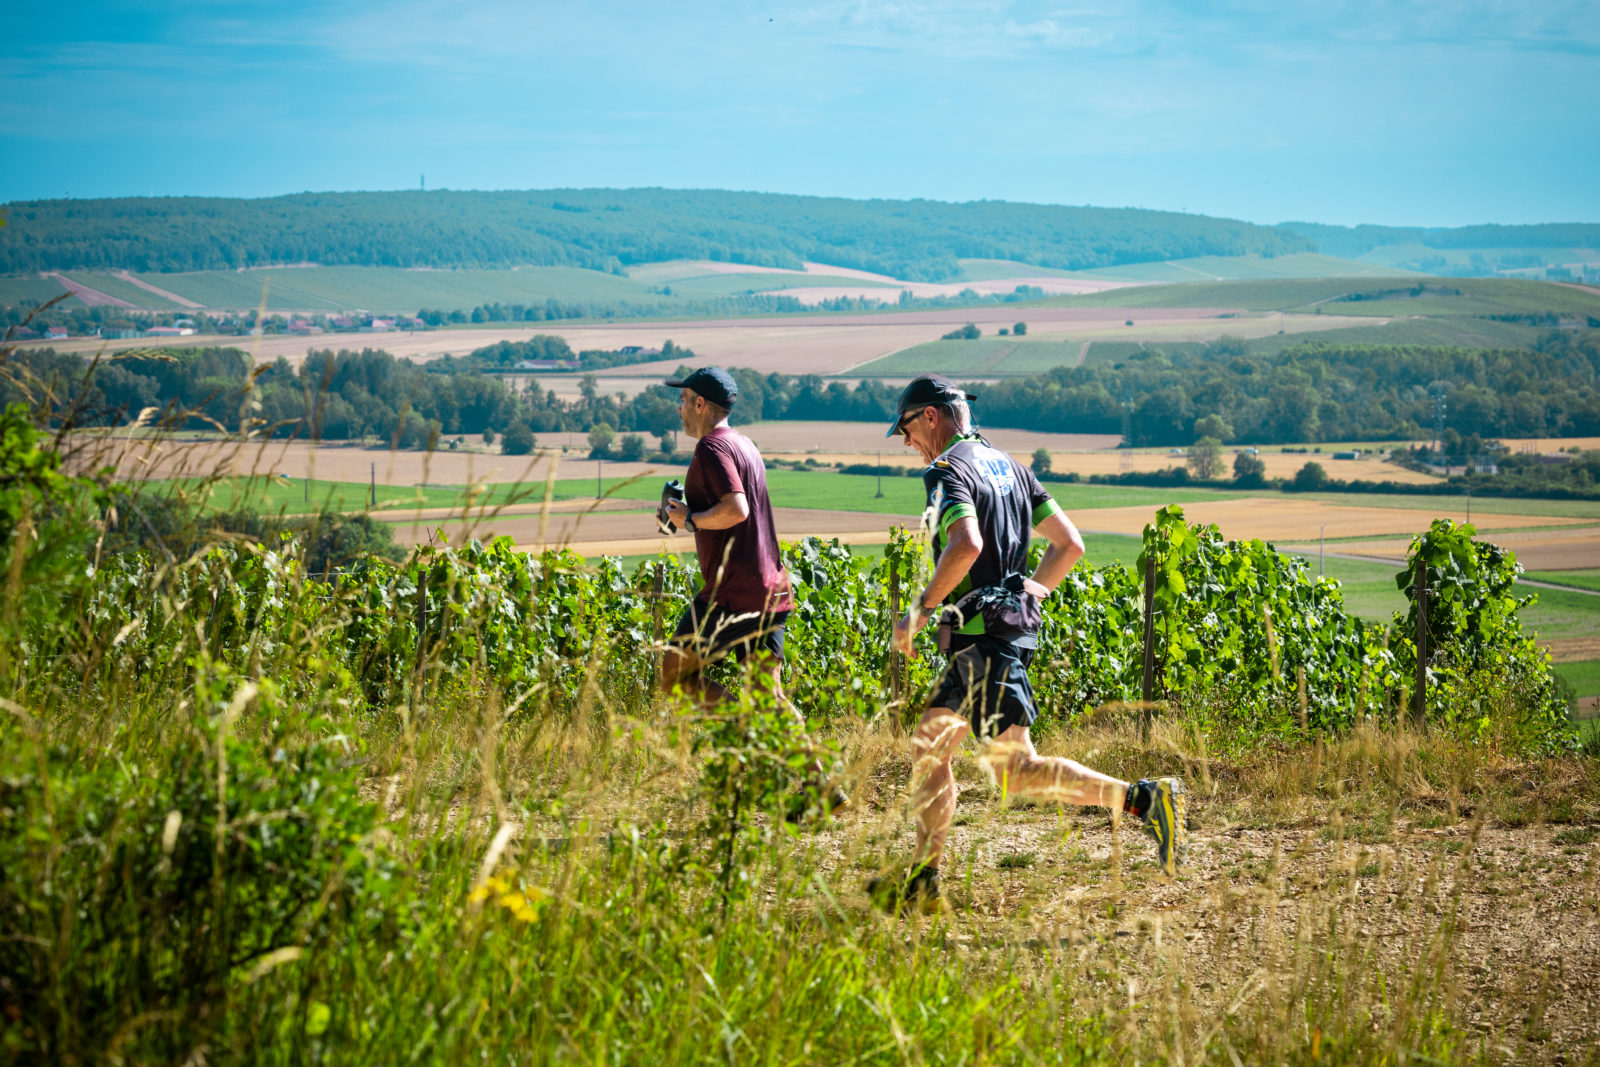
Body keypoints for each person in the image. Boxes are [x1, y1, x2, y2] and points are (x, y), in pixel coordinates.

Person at [870, 373, 1185, 914]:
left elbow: (965, 543)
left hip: (984, 641)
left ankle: (1143, 798)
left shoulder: (947, 470)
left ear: (930, 416)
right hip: (988, 637)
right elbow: (1070, 544)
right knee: (930, 749)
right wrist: (1028, 592)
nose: (906, 442)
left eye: (905, 427)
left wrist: (919, 612)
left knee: (1017, 772)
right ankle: (923, 879)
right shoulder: (1014, 468)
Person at [658, 366, 844, 815]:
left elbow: (736, 508)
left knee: (674, 678)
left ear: (701, 404)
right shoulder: (744, 444)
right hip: (770, 588)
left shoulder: (712, 447)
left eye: (684, 400)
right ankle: (821, 783)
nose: (679, 409)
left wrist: (691, 521)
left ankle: (751, 731)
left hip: (731, 593)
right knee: (770, 696)